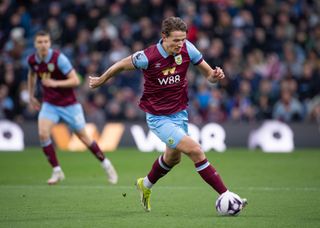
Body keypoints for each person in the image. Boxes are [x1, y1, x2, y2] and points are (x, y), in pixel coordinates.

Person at [89, 17, 247, 212]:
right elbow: (120, 65)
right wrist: (101, 80)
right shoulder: (148, 56)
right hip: (158, 117)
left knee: (173, 158)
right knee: (196, 150)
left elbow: (208, 75)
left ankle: (144, 185)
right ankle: (227, 195)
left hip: (179, 113)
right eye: (176, 40)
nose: (180, 44)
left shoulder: (188, 49)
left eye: (183, 39)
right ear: (164, 37)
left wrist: (215, 76)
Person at [27, 30, 118, 185]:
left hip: (69, 105)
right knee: (43, 134)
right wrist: (31, 95)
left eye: (46, 42)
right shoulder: (32, 60)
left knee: (83, 137)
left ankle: (106, 164)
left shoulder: (59, 59)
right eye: (40, 42)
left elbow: (76, 80)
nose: (43, 45)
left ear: (49, 43)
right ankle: (57, 171)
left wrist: (55, 83)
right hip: (50, 104)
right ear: (35, 44)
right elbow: (31, 74)